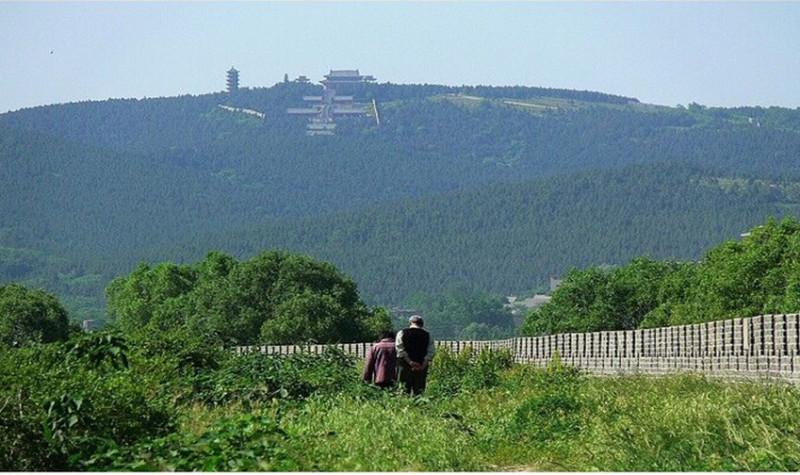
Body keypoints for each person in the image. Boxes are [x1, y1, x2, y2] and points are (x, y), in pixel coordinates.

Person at [396, 315, 435, 395]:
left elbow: (400, 350)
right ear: (422, 324)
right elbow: (430, 352)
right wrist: (423, 365)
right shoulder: (427, 335)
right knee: (419, 391)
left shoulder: (402, 333)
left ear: (410, 323)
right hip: (421, 366)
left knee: (404, 390)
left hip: (405, 366)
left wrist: (410, 362)